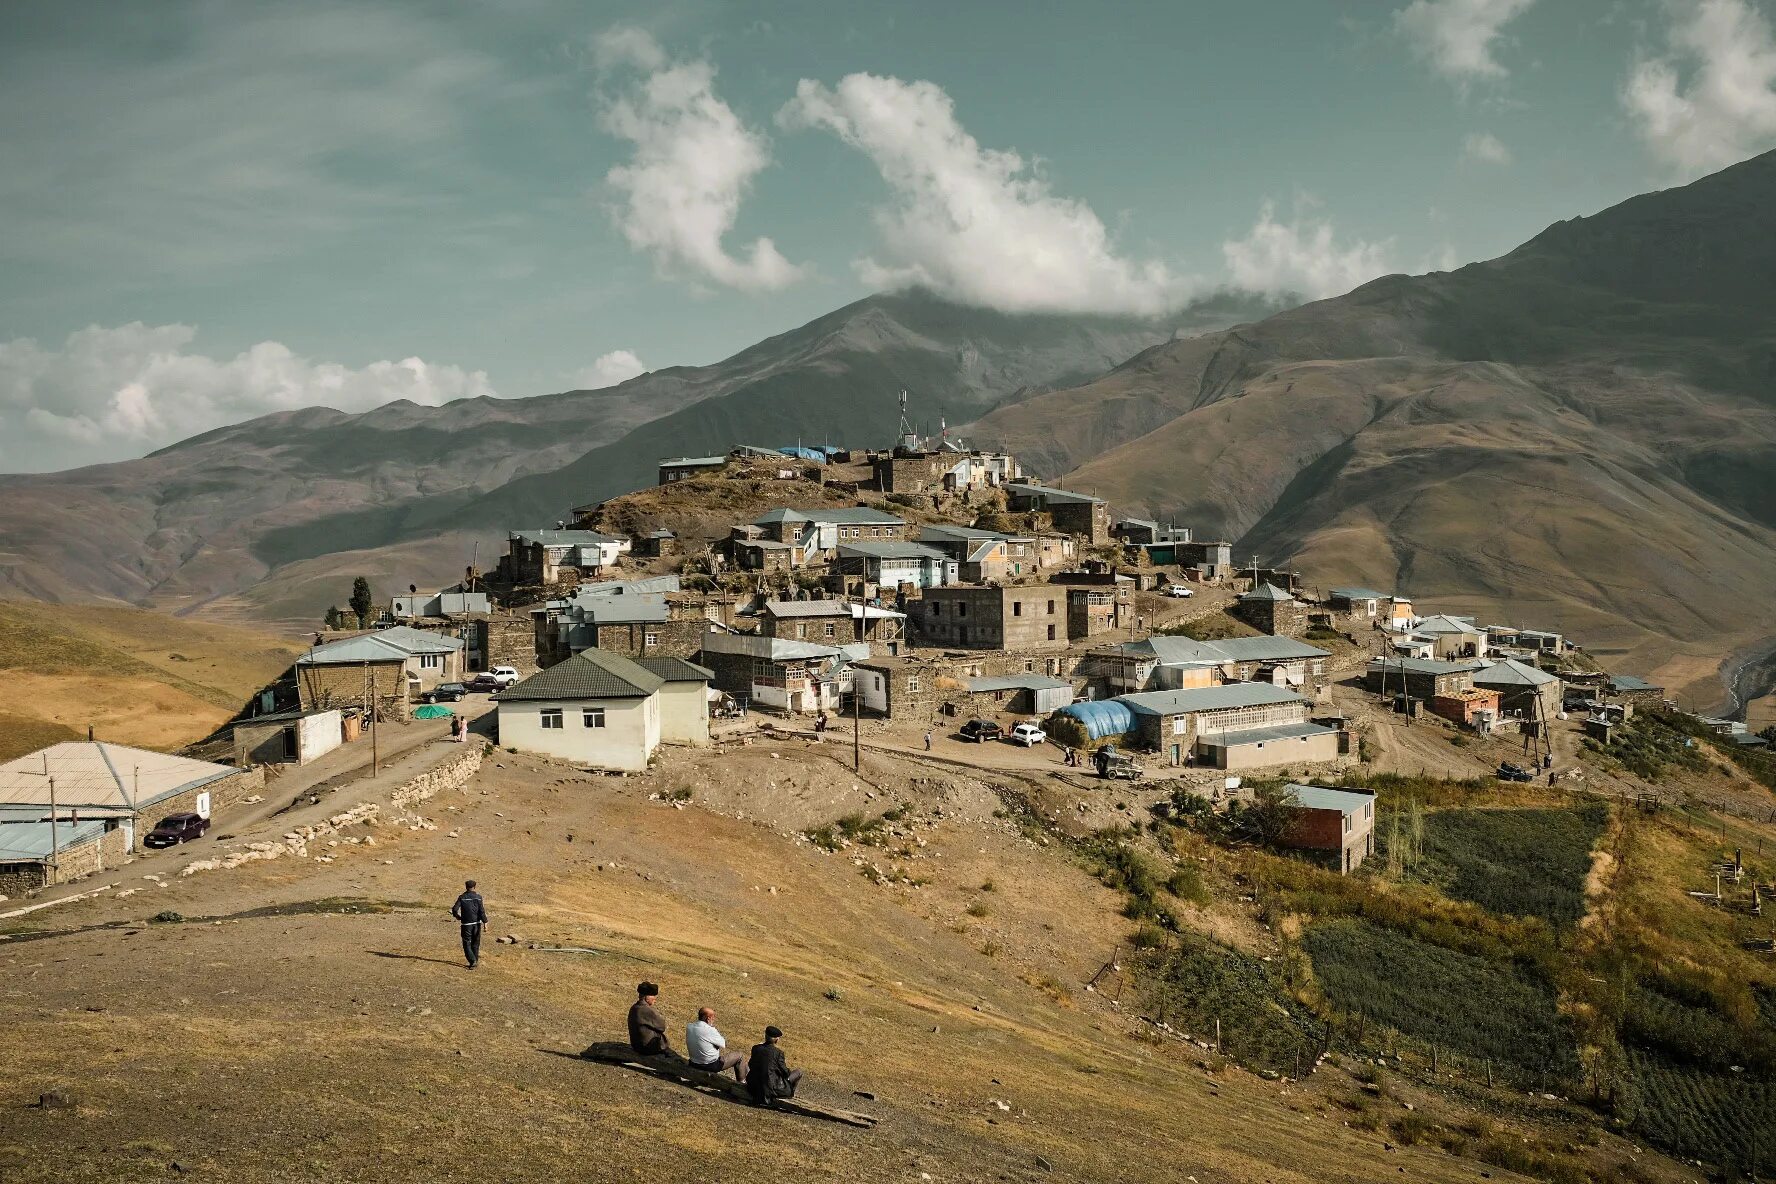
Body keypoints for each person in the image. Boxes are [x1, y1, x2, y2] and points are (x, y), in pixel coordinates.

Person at [746, 1025, 803, 1105]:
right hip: (770, 1088)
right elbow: (785, 1073)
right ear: (777, 1039)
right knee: (798, 1072)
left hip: (752, 1085)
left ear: (765, 1035)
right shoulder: (778, 1053)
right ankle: (789, 1095)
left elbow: (750, 1064)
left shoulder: (755, 1048)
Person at [686, 1006, 746, 1082]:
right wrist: (711, 1027)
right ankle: (742, 1083)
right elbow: (723, 1043)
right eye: (713, 1018)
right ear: (708, 1019)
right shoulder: (709, 1030)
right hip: (710, 1065)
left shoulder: (689, 1026)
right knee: (739, 1056)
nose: (713, 1020)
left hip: (693, 1063)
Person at [627, 982, 673, 1057]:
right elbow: (662, 1026)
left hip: (636, 1045)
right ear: (646, 997)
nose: (655, 999)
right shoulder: (647, 1010)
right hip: (647, 1048)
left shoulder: (634, 1008)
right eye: (653, 996)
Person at [450, 879, 486, 969]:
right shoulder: (479, 897)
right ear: (474, 887)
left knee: (466, 943)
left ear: (466, 887)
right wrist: (485, 922)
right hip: (477, 924)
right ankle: (475, 961)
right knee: (476, 943)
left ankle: (472, 960)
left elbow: (454, 909)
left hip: (466, 924)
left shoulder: (462, 897)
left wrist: (457, 916)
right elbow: (481, 911)